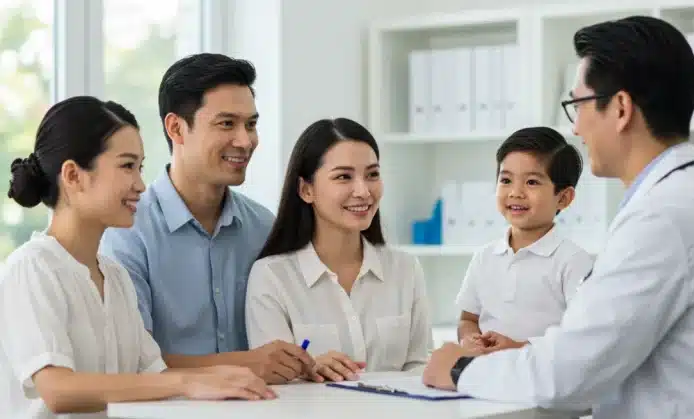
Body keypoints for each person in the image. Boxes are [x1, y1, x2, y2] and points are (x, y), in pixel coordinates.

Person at [422, 15, 694, 419]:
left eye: (578, 105)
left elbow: (567, 374)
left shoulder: (663, 218)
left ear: (620, 108)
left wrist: (462, 368)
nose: (577, 128)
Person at [0, 96, 275, 419]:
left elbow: (152, 373)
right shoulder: (32, 267)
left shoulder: (114, 276)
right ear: (73, 176)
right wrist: (188, 382)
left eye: (140, 167)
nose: (141, 185)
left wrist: (224, 376)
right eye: (127, 166)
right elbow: (58, 390)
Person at [99, 53, 314, 384]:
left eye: (251, 124)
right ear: (176, 128)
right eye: (227, 123)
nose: (245, 141)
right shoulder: (127, 231)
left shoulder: (264, 227)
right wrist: (244, 364)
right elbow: (129, 361)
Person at [245, 118, 433, 382]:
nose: (363, 191)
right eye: (344, 177)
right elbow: (274, 380)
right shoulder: (272, 277)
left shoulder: (405, 269)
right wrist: (306, 369)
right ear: (306, 190)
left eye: (372, 175)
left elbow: (419, 368)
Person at [456, 127, 593, 354]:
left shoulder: (573, 261)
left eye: (531, 182)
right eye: (506, 180)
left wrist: (520, 348)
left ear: (563, 198)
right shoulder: (484, 257)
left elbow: (580, 336)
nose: (515, 192)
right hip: (487, 376)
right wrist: (470, 340)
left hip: (542, 379)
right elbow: (468, 319)